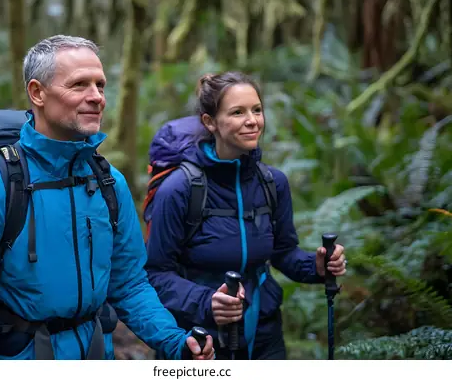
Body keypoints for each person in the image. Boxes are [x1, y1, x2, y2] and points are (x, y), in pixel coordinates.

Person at [0, 35, 214, 360]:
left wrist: (175, 343)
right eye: (79, 85)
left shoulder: (108, 182)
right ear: (37, 92)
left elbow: (128, 283)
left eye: (100, 85)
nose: (97, 97)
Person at [143, 71, 347, 360]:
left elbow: (283, 253)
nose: (252, 120)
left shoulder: (272, 183)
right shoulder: (180, 189)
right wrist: (207, 302)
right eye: (238, 112)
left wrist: (317, 267)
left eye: (257, 110)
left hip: (264, 334)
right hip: (199, 338)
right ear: (209, 122)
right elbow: (156, 274)